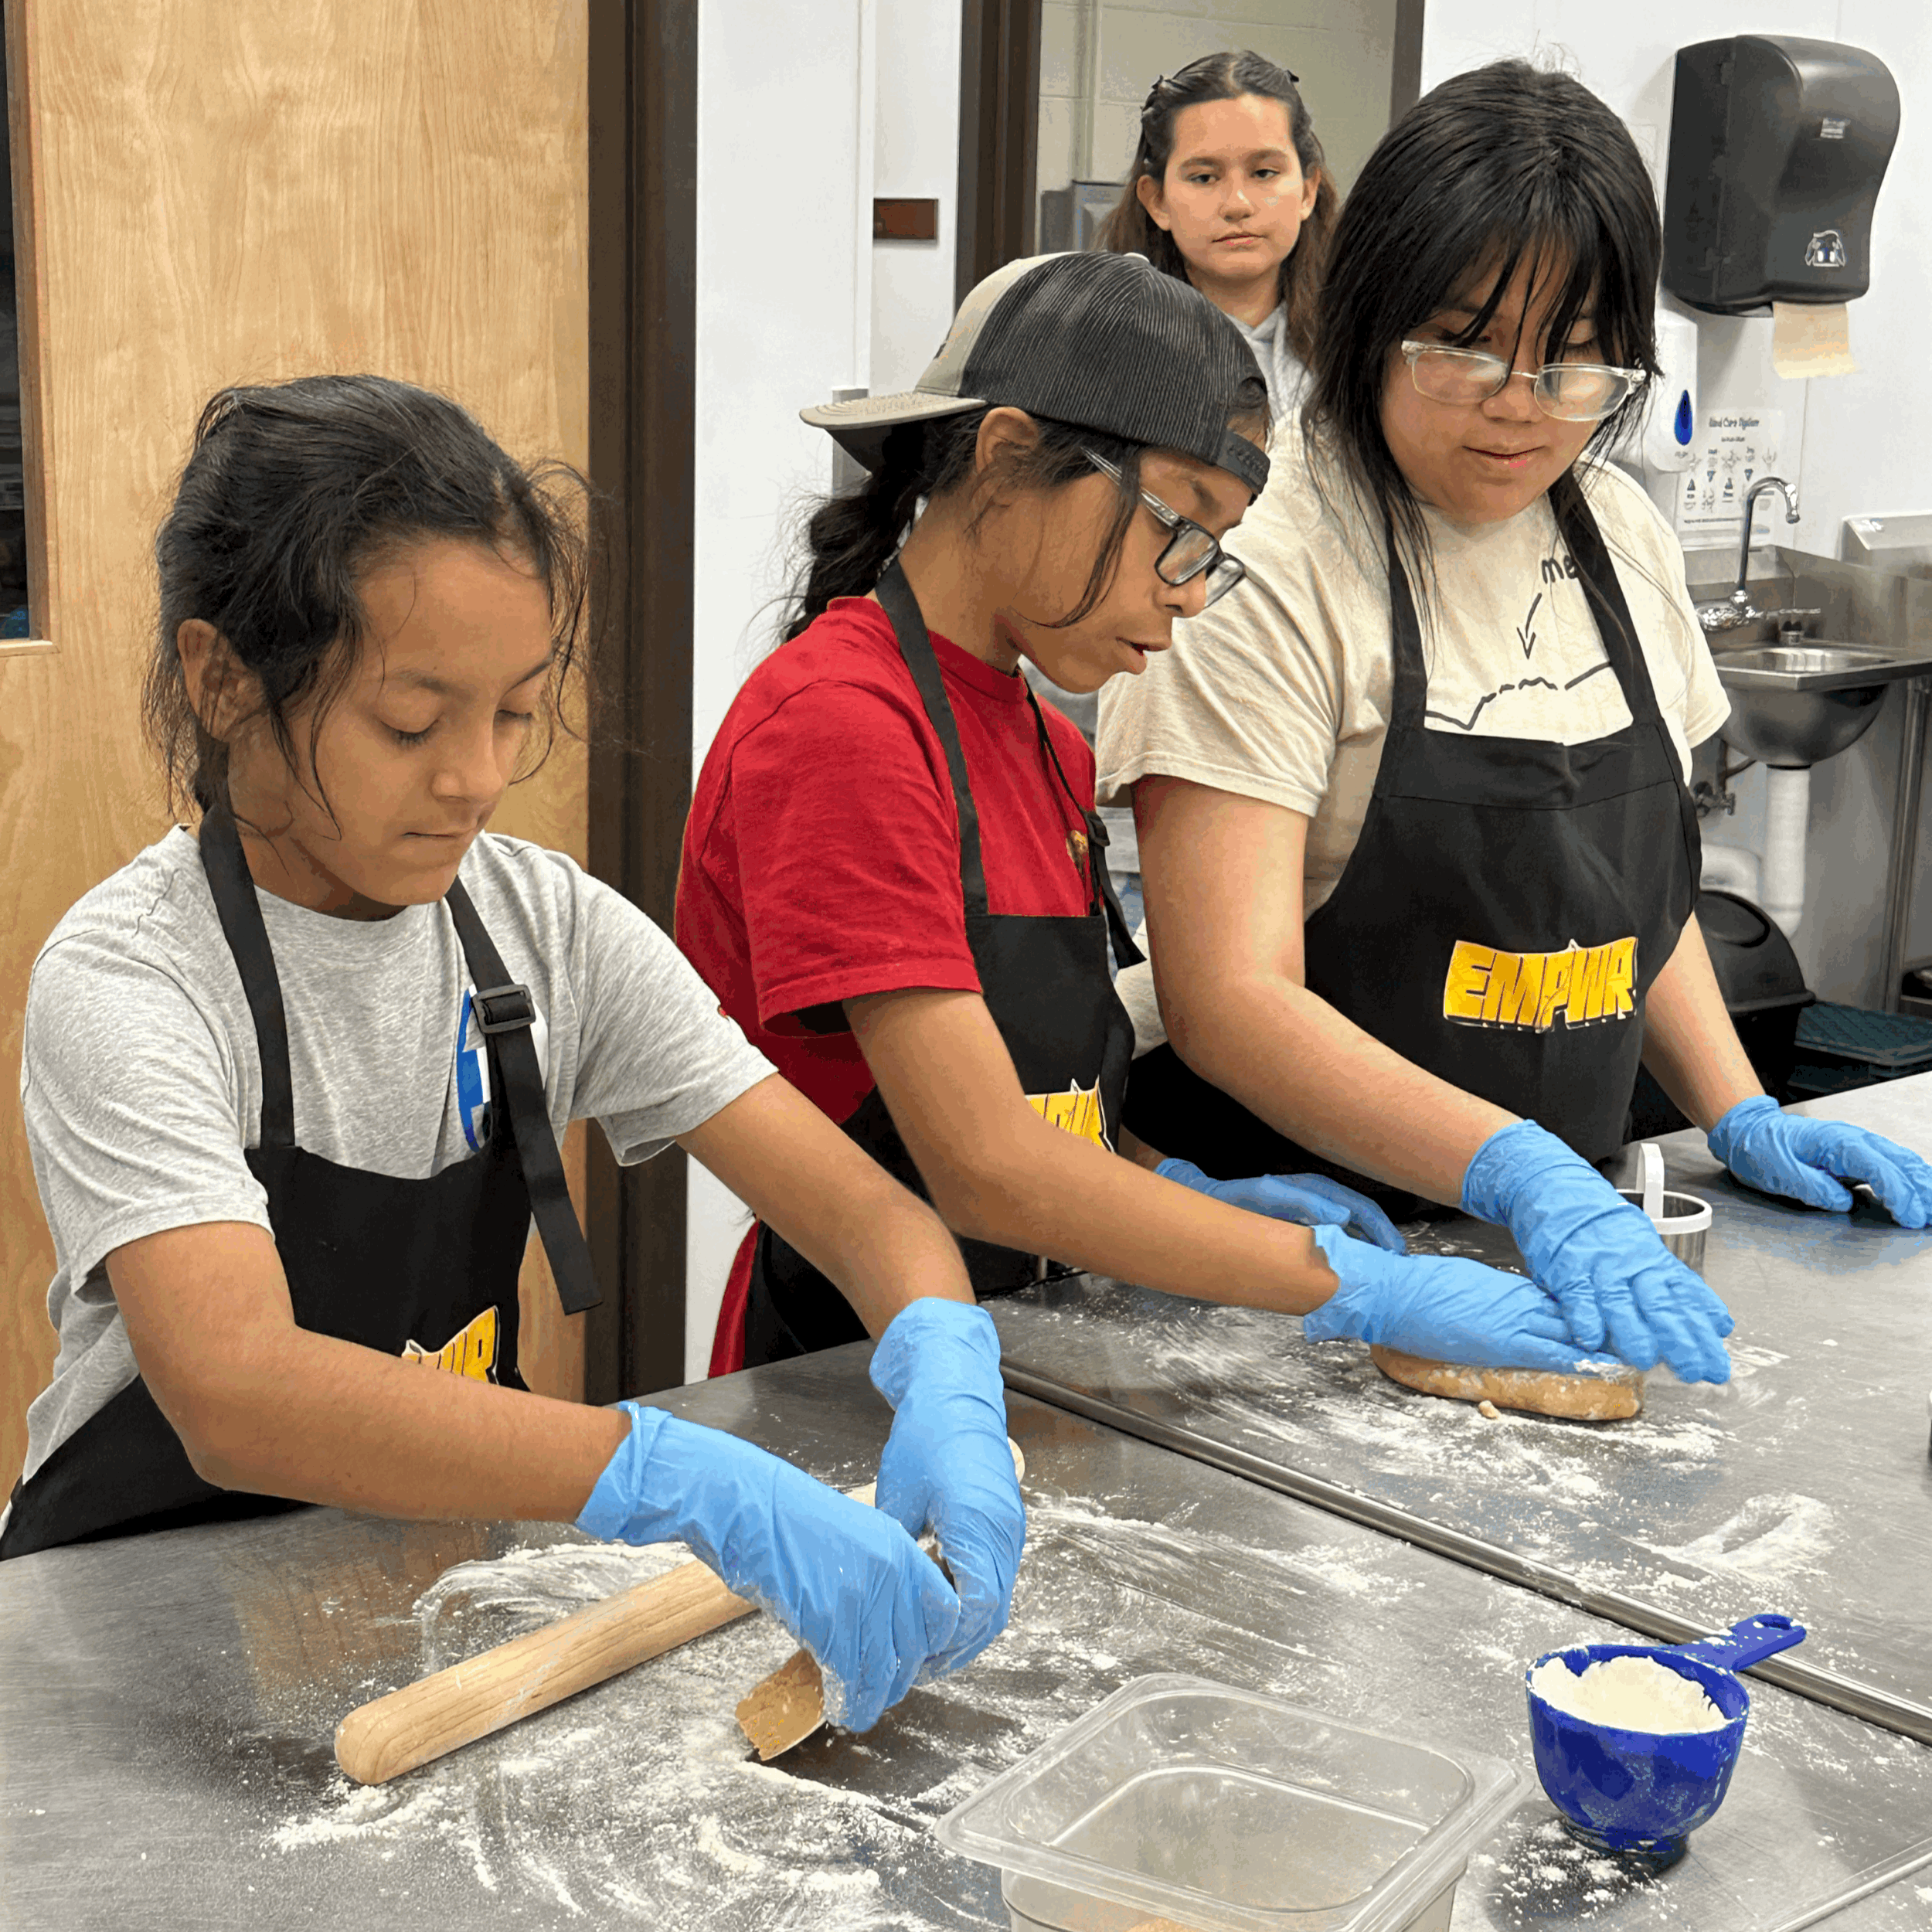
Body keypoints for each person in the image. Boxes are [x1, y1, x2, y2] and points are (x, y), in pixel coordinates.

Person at [2, 375, 1024, 1735]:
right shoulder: (134, 975)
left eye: (515, 714)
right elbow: (237, 1390)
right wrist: (683, 1477)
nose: (476, 778)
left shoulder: (538, 927)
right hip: (137, 1641)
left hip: (429, 1595)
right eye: (413, 723)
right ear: (225, 680)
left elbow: (859, 1210)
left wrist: (943, 1365)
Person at [1098, 62, 1932, 1389]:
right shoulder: (1265, 555)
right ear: (1370, 316)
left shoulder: (1621, 538)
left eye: (1576, 359)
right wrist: (1521, 1167)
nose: (1521, 402)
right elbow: (1228, 998)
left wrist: (1740, 1105)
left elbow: (1612, 905)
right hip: (1297, 1274)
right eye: (1467, 344)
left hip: (1555, 1258)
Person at [675, 250, 1593, 1393]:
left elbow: (1049, 1112)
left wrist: (1169, 1185)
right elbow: (980, 1163)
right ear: (1009, 456)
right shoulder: (843, 729)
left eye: (1217, 552)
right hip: (860, 1375)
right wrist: (1339, 1285)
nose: (1194, 590)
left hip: (1037, 1345)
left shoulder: (1047, 744)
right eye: (1181, 526)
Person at [1095, 49, 1337, 416]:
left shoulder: (1359, 344)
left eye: (1264, 173)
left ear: (1307, 190)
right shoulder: (1111, 351)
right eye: (1204, 177)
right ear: (1157, 200)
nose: (1237, 205)